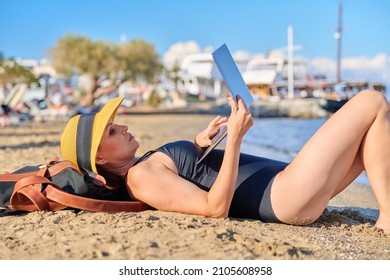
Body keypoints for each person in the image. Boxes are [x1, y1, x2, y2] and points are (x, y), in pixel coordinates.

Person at [60, 89, 390, 234]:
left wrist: (199, 144)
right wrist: (234, 139)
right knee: (371, 101)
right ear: (100, 157)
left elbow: (189, 176)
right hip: (285, 197)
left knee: (368, 137)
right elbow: (214, 208)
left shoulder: (143, 165)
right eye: (113, 131)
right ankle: (387, 216)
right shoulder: (139, 179)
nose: (124, 127)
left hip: (288, 188)